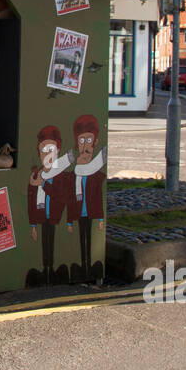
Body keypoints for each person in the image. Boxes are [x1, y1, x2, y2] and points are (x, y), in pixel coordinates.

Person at [26, 125, 73, 287]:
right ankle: (45, 269)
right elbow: (31, 201)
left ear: (58, 150)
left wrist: (43, 184)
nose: (47, 153)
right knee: (44, 242)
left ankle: (51, 269)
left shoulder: (62, 177)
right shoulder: (35, 175)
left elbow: (61, 196)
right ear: (39, 152)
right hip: (41, 216)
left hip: (55, 217)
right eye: (43, 149)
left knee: (51, 241)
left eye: (51, 148)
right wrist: (32, 224)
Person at [65, 113, 106, 283]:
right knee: (81, 239)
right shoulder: (72, 176)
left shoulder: (96, 175)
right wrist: (68, 221)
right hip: (79, 214)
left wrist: (101, 218)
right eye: (82, 141)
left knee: (89, 238)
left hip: (90, 213)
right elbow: (69, 200)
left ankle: (90, 267)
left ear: (95, 142)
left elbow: (97, 197)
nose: (85, 147)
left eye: (89, 141)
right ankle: (83, 265)